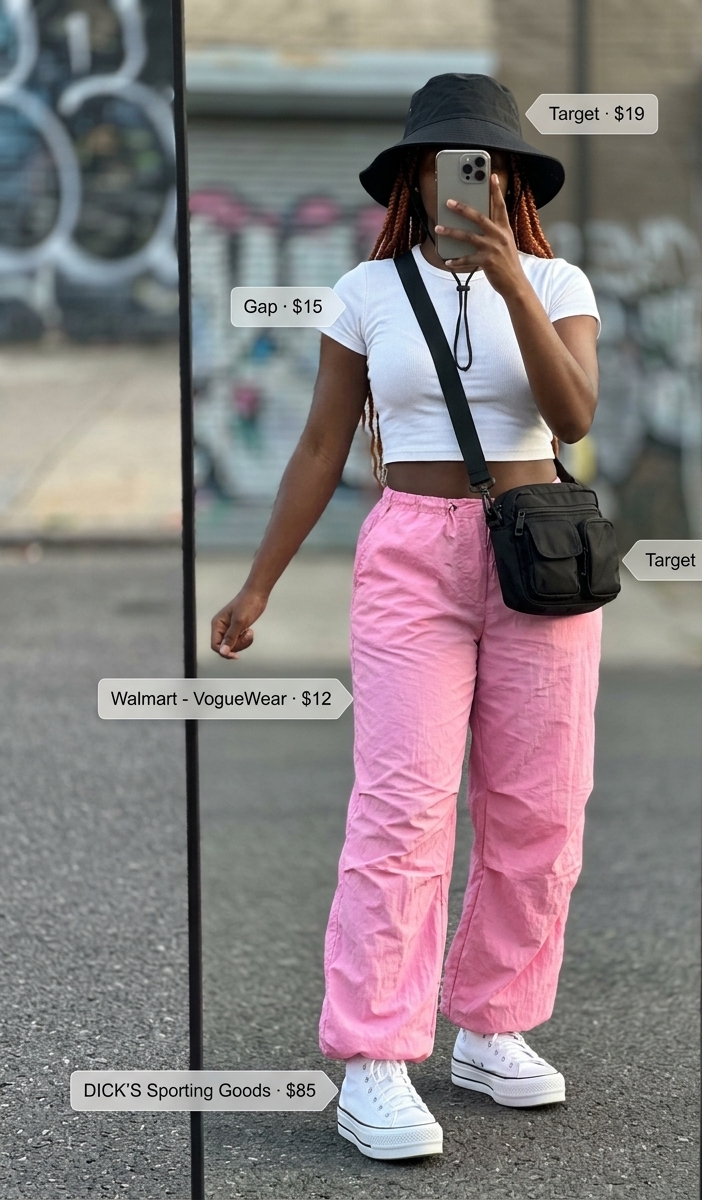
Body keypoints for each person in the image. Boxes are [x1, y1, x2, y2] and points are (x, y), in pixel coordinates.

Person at [211, 73, 602, 1162]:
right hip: (411, 559)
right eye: (439, 166)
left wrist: (511, 280)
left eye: (480, 166)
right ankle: (375, 1060)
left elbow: (573, 411)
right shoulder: (362, 294)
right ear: (412, 182)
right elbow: (318, 448)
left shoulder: (561, 281)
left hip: (540, 557)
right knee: (401, 812)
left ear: (509, 180)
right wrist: (258, 584)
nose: (459, 184)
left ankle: (488, 1025)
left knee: (541, 811)